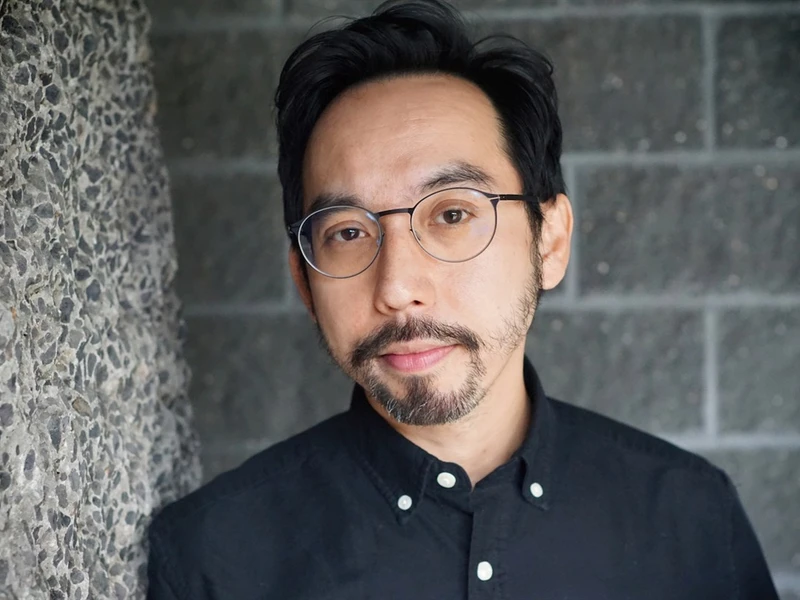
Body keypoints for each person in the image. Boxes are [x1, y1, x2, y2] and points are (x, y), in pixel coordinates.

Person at [146, 1, 778, 598]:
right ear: (303, 280)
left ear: (550, 241)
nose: (397, 288)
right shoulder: (214, 557)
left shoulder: (692, 520)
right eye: (347, 232)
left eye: (452, 214)